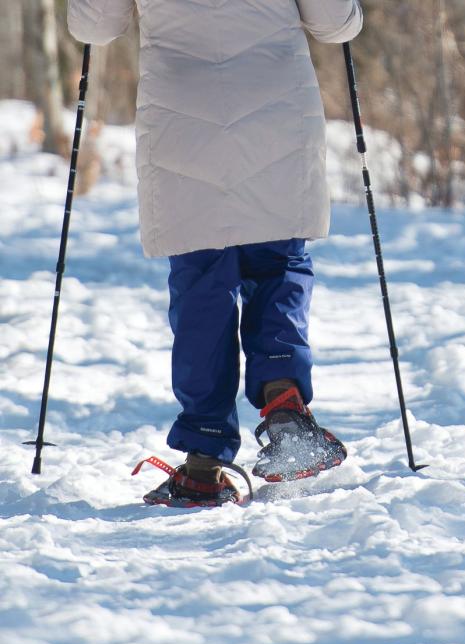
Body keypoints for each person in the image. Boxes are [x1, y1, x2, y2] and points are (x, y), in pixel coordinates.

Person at [68, 0, 364, 506]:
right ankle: (284, 403)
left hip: (181, 120)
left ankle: (202, 462)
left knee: (202, 284)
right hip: (276, 110)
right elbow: (336, 23)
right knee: (278, 263)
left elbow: (94, 24)